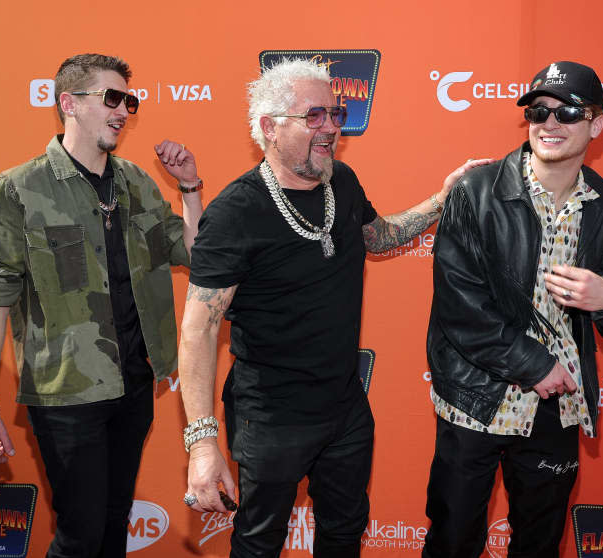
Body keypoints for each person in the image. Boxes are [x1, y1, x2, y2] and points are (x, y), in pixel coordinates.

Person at [176, 57, 490, 558]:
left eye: (336, 114)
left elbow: (379, 236)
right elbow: (196, 331)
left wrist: (443, 198)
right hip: (271, 416)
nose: (332, 128)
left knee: (344, 533)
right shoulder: (236, 211)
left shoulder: (341, 182)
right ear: (270, 127)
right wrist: (201, 443)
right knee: (259, 542)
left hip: (345, 409)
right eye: (315, 116)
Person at [0, 53, 204, 557]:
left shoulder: (138, 183)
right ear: (68, 104)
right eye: (110, 98)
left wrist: (189, 187)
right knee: (80, 536)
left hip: (133, 386)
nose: (123, 111)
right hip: (66, 394)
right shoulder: (20, 188)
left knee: (114, 529)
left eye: (128, 101)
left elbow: (195, 253)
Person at [423, 61, 603, 558]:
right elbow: (460, 306)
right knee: (452, 542)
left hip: (556, 409)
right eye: (538, 111)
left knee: (539, 545)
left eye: (568, 111)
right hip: (474, 400)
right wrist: (534, 364)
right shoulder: (476, 193)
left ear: (597, 124)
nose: (550, 123)